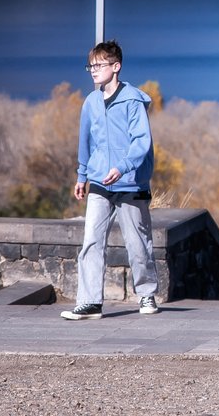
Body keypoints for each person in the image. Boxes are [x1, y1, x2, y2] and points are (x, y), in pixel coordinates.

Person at [61, 40, 160, 320]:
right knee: (91, 242)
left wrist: (123, 166)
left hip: (131, 183)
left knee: (138, 244)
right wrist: (82, 175)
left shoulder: (132, 101)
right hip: (99, 183)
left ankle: (146, 294)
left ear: (116, 67)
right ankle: (90, 302)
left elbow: (141, 142)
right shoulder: (91, 102)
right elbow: (86, 142)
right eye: (90, 66)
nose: (93, 70)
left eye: (99, 65)